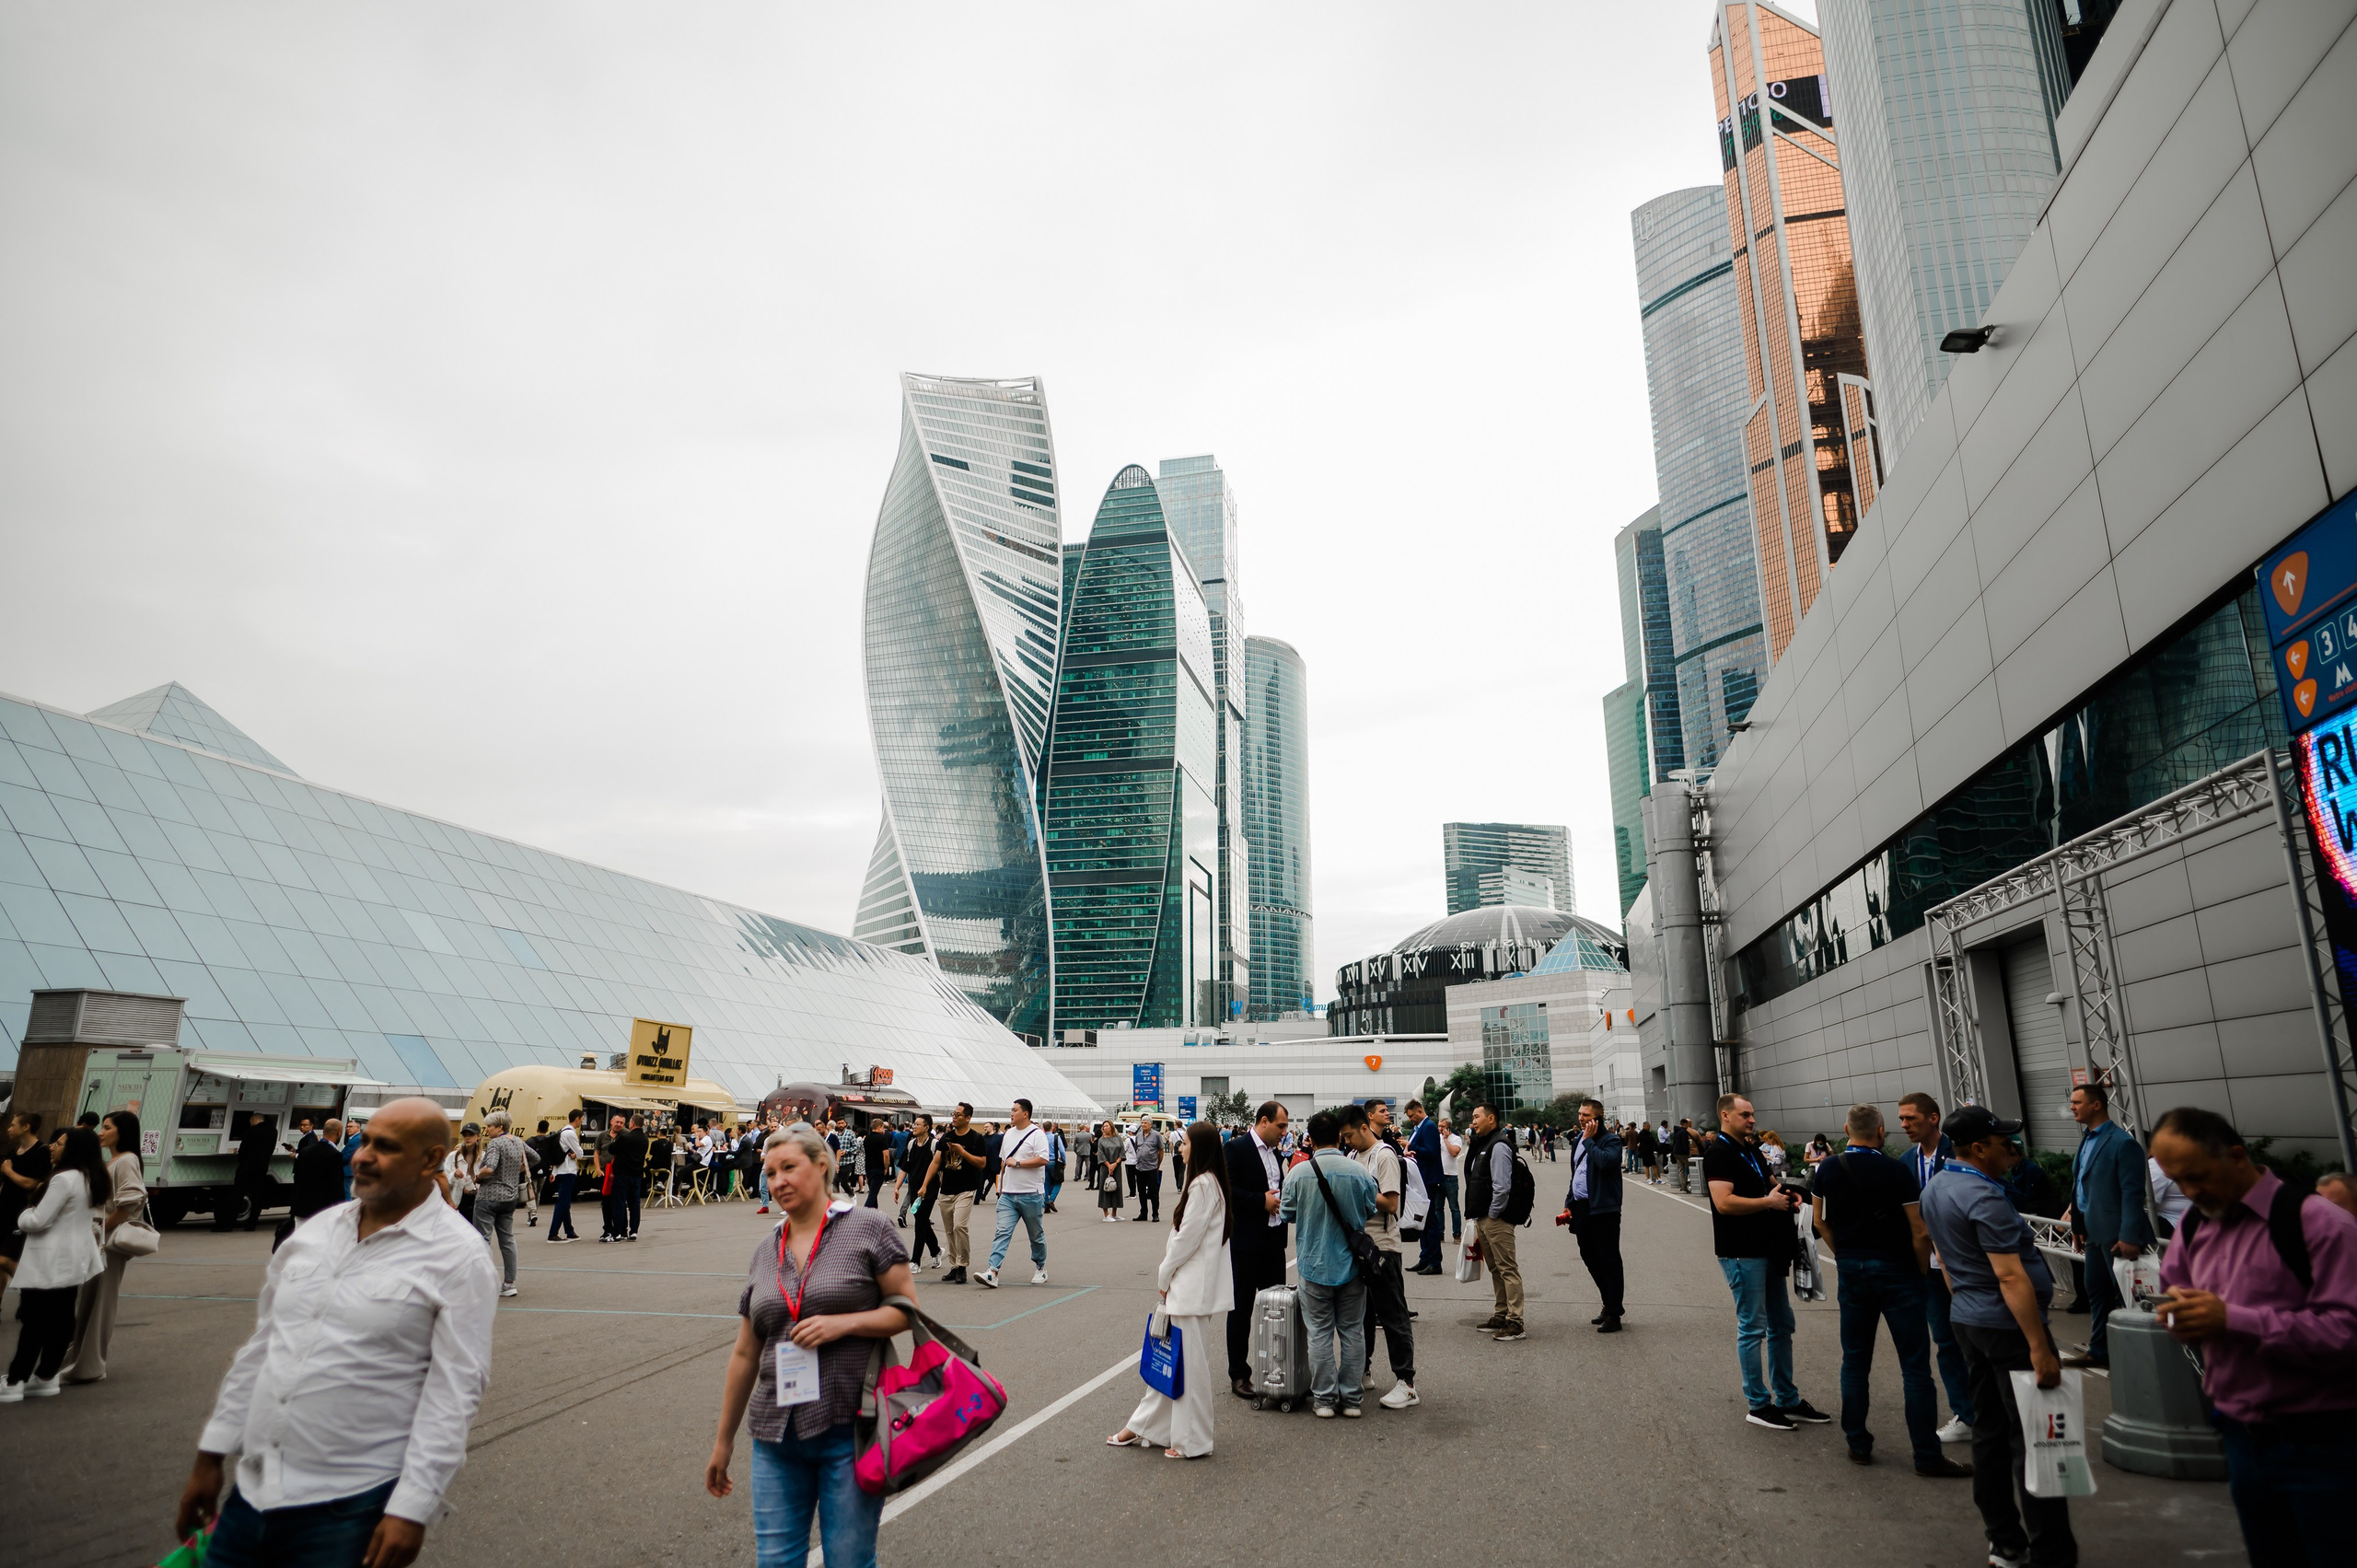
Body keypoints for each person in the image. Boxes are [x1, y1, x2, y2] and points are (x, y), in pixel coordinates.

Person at [174, 1099, 494, 1567]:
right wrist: (211, 1454)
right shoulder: (315, 1233)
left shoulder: (459, 1256)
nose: (362, 1156)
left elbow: (456, 1390)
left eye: (385, 1147)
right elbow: (264, 1347)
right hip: (251, 1496)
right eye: (364, 1142)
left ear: (430, 1160)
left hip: (349, 1506)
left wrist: (412, 1506)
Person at [2149, 1105, 2357, 1565]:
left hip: (2325, 1443)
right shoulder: (2196, 1224)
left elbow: (2348, 1331)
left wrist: (2234, 1320)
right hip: (2242, 1439)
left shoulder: (2322, 1225)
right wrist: (2180, 1318)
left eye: (2197, 1176)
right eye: (2177, 1181)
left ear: (2237, 1157)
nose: (2190, 1192)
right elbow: (2173, 1299)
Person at [706, 1122, 913, 1568]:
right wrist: (723, 1442)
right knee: (776, 1562)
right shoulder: (765, 1250)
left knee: (848, 1560)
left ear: (822, 1165)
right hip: (776, 1436)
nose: (778, 1181)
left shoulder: (869, 1228)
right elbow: (745, 1352)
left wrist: (843, 1324)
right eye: (770, 1172)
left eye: (789, 1168)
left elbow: (906, 1311)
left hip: (852, 1429)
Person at [1915, 1106, 2072, 1568]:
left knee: (1989, 1431)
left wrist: (1965, 1303)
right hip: (2009, 1329)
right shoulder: (1984, 1196)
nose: (2012, 1150)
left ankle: (2004, 1541)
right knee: (2038, 1441)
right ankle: (2051, 1553)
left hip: (1970, 1320)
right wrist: (2040, 1348)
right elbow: (2010, 1276)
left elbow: (1944, 1258)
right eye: (2005, 1143)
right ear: (1980, 1149)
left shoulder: (1936, 1186)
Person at [1807, 1104, 1972, 1478]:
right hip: (1898, 1272)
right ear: (1880, 1131)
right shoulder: (1898, 1170)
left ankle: (1858, 1443)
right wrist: (1919, 1269)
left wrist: (1845, 1254)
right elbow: (1920, 1230)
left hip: (1853, 1272)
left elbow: (1820, 1220)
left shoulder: (1827, 1168)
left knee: (1855, 1361)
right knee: (1915, 1367)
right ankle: (1926, 1455)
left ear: (1846, 1130)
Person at [1109, 1121, 1234, 1458]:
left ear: (1199, 1147)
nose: (1180, 1147)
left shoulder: (1203, 1185)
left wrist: (1164, 1275)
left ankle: (1192, 1440)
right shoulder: (1207, 1182)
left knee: (1188, 1368)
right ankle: (1147, 1426)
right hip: (1190, 1286)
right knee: (1172, 1362)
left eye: (1185, 1143)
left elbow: (1186, 1240)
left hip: (1190, 1287)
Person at [1705, 1093, 1829, 1430]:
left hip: (1769, 1249)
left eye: (1752, 1114)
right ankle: (1758, 1405)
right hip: (1740, 1251)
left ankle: (1787, 1399)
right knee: (1752, 1328)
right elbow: (1724, 1203)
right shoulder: (1718, 1153)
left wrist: (1792, 1195)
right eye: (1745, 1115)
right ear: (1726, 1116)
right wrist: (1767, 1203)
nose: (1752, 1120)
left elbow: (1773, 1185)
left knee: (1782, 1324)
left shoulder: (1751, 1150)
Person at [1278, 1109, 1376, 1417]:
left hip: (1313, 1264)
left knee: (1319, 1333)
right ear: (1339, 1137)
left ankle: (1323, 1400)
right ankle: (1352, 1400)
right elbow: (1370, 1209)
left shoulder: (1298, 1173)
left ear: (1309, 1139)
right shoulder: (1359, 1171)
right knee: (1352, 1331)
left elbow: (1286, 1213)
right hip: (1352, 1266)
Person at [2, 1125, 108, 1399]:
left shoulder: (63, 1179)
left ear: (73, 1150)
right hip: (74, 1260)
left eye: (59, 1144)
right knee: (61, 1320)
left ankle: (14, 1382)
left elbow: (38, 1220)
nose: (52, 1146)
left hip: (48, 1261)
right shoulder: (91, 1177)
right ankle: (46, 1377)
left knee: (34, 1322)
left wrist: (23, 1216)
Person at [1897, 1091, 1978, 1445]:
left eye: (1910, 1118)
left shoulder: (1958, 1153)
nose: (1904, 1125)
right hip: (1928, 1268)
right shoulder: (1905, 1161)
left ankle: (1996, 1410)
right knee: (1945, 1341)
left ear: (1933, 1118)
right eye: (1901, 1119)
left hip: (1964, 1263)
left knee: (1978, 1338)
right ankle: (1966, 1414)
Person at [2061, 1082, 2152, 1368]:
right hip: (2093, 1232)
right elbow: (2079, 1187)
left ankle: (2140, 1358)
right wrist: (2077, 1226)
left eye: (2077, 1102)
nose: (2071, 1107)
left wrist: (2129, 1235)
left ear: (2097, 1105)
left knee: (2128, 1297)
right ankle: (2100, 1351)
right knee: (2096, 1291)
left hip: (2117, 1235)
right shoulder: (2086, 1139)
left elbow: (2133, 1193)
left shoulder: (2123, 1143)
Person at [1339, 1104, 1417, 1408]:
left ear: (1364, 1127)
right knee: (1361, 1316)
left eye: (1350, 1135)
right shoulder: (1352, 1156)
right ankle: (1363, 1371)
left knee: (1392, 1314)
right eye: (1343, 1137)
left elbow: (1391, 1204)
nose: (1347, 1141)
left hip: (1383, 1246)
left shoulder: (1384, 1155)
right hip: (1358, 1245)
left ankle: (1406, 1383)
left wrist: (1358, 1189)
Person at [1224, 1101, 1292, 1398]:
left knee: (1276, 1309)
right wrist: (1260, 1201)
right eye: (1281, 1125)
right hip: (1246, 1244)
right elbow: (1226, 1190)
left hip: (1273, 1241)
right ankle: (1239, 1374)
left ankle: (1275, 1369)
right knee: (1241, 1310)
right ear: (1264, 1121)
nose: (1284, 1132)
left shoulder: (1275, 1153)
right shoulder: (1236, 1149)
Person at [1465, 1102, 1529, 1342]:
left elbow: (1502, 1186)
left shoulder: (1499, 1145)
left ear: (1491, 1119)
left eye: (1476, 1117)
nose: (1473, 1121)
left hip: (1496, 1219)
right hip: (1484, 1217)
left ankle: (1515, 1322)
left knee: (1507, 1269)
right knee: (1496, 1269)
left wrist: (1492, 1214)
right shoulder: (1484, 1143)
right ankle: (1501, 1315)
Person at [1561, 1098, 1626, 1332]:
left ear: (1598, 1118)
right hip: (1581, 1208)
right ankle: (1609, 1303)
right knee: (1589, 1257)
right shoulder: (1579, 1139)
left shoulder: (1611, 1140)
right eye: (1580, 1114)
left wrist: (1589, 1141)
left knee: (1609, 1260)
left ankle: (1614, 1314)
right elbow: (1577, 1173)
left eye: (1586, 1115)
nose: (1581, 1118)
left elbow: (1606, 1163)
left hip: (1604, 1208)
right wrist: (1569, 1202)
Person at [979, 1098, 1052, 1289]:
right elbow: (1004, 1162)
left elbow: (1043, 1159)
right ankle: (993, 1271)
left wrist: (1018, 1163)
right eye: (1011, 1110)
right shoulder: (1009, 1134)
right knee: (1002, 1232)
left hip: (1031, 1193)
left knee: (1035, 1235)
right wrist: (1001, 1188)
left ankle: (1040, 1267)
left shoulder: (1037, 1134)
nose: (1011, 1113)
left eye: (1014, 1110)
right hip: (1008, 1195)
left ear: (1025, 1114)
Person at [924, 1104, 990, 1284]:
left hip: (966, 1190)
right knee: (949, 1230)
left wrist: (962, 1152)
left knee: (960, 1226)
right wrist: (924, 1185)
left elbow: (982, 1163)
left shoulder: (976, 1138)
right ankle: (954, 1266)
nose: (954, 1117)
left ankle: (962, 1266)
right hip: (946, 1190)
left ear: (968, 1118)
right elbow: (936, 1162)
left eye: (958, 1114)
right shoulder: (947, 1137)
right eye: (953, 1114)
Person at [472, 1110, 528, 1299]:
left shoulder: (496, 1143)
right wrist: (517, 1170)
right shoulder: (518, 1142)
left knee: (483, 1240)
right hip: (510, 1197)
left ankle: (483, 1282)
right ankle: (509, 1283)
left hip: (489, 1196)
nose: (486, 1130)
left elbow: (490, 1167)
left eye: (489, 1126)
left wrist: (477, 1176)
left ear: (500, 1127)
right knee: (507, 1239)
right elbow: (535, 1158)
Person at [0, 1109, 51, 1295]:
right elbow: (5, 1184)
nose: (9, 1128)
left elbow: (31, 1184)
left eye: (13, 1125)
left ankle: (33, 1295)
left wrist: (9, 1171)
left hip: (22, 1214)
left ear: (26, 1127)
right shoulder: (14, 1152)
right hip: (4, 1211)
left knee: (5, 1260)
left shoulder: (41, 1151)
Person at [1403, 1099, 1446, 1274]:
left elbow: (1432, 1152)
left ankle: (1435, 1262)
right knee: (1422, 1220)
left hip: (1429, 1179)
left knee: (1430, 1221)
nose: (1410, 1119)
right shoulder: (1418, 1128)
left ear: (1420, 1112)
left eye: (1412, 1116)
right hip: (1420, 1178)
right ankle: (1425, 1258)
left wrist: (1411, 1146)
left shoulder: (1428, 1127)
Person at [217, 1110, 278, 1232]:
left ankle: (227, 1225)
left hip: (247, 1167)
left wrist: (241, 1160)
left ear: (254, 1120)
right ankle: (252, 1224)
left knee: (237, 1195)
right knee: (257, 1196)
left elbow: (243, 1149)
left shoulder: (251, 1131)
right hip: (262, 1168)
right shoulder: (273, 1131)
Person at [286, 1114, 347, 1228]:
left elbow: (298, 1179)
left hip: (301, 1208)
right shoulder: (335, 1155)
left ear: (323, 1131)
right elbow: (336, 1186)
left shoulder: (305, 1152)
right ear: (339, 1132)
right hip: (321, 1211)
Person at [899, 1115, 942, 1270]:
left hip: (929, 1190)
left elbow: (940, 1168)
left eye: (917, 1124)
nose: (914, 1127)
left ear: (926, 1127)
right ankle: (936, 1250)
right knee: (922, 1221)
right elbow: (905, 1167)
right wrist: (897, 1187)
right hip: (914, 1190)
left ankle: (915, 1261)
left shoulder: (934, 1145)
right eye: (914, 1124)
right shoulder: (911, 1144)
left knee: (920, 1223)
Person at [607, 1114, 648, 1241]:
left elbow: (612, 1149)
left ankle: (617, 1233)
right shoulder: (645, 1139)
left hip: (623, 1174)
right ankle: (634, 1231)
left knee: (619, 1203)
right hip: (637, 1175)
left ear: (632, 1123)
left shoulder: (625, 1137)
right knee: (634, 1204)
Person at [548, 1108, 584, 1243]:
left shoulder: (562, 1131)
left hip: (560, 1170)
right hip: (568, 1171)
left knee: (565, 1202)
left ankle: (570, 1231)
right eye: (582, 1119)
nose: (582, 1122)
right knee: (562, 1203)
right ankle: (553, 1233)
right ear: (577, 1119)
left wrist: (553, 1172)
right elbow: (580, 1153)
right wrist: (576, 1153)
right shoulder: (570, 1133)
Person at [1129, 1118, 1165, 1223]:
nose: (1143, 1124)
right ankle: (1143, 1213)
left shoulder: (1156, 1135)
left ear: (1150, 1125)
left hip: (1151, 1168)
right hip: (1139, 1167)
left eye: (1145, 1123)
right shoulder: (1139, 1135)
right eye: (1142, 1123)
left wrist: (1158, 1165)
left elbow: (1161, 1150)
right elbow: (1137, 1148)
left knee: (1153, 1192)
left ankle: (1155, 1214)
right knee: (1141, 1191)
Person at [1435, 1114, 1464, 1240]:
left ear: (1449, 1128)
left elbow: (1454, 1153)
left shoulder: (1455, 1139)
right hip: (1439, 1176)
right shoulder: (1437, 1138)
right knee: (1438, 1208)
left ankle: (1456, 1233)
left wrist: (1446, 1139)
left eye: (1443, 1126)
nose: (1440, 1128)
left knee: (1454, 1208)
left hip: (1450, 1177)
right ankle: (1439, 1233)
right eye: (1439, 1126)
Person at [860, 1122, 892, 1210]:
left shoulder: (867, 1138)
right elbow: (886, 1155)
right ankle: (865, 1211)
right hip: (879, 1167)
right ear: (879, 1127)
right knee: (873, 1193)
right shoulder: (882, 1138)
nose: (883, 1130)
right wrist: (886, 1167)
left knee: (873, 1190)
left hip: (869, 1167)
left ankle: (874, 1211)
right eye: (883, 1128)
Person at [1097, 1122, 1125, 1221]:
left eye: (1107, 1126)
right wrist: (1109, 1165)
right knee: (1105, 1187)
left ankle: (1114, 1213)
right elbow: (1101, 1154)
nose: (1105, 1128)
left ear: (1111, 1127)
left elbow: (1122, 1152)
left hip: (1116, 1166)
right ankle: (1106, 1215)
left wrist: (1115, 1163)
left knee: (1116, 1188)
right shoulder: (1101, 1140)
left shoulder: (1118, 1138)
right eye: (1104, 1126)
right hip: (1105, 1167)